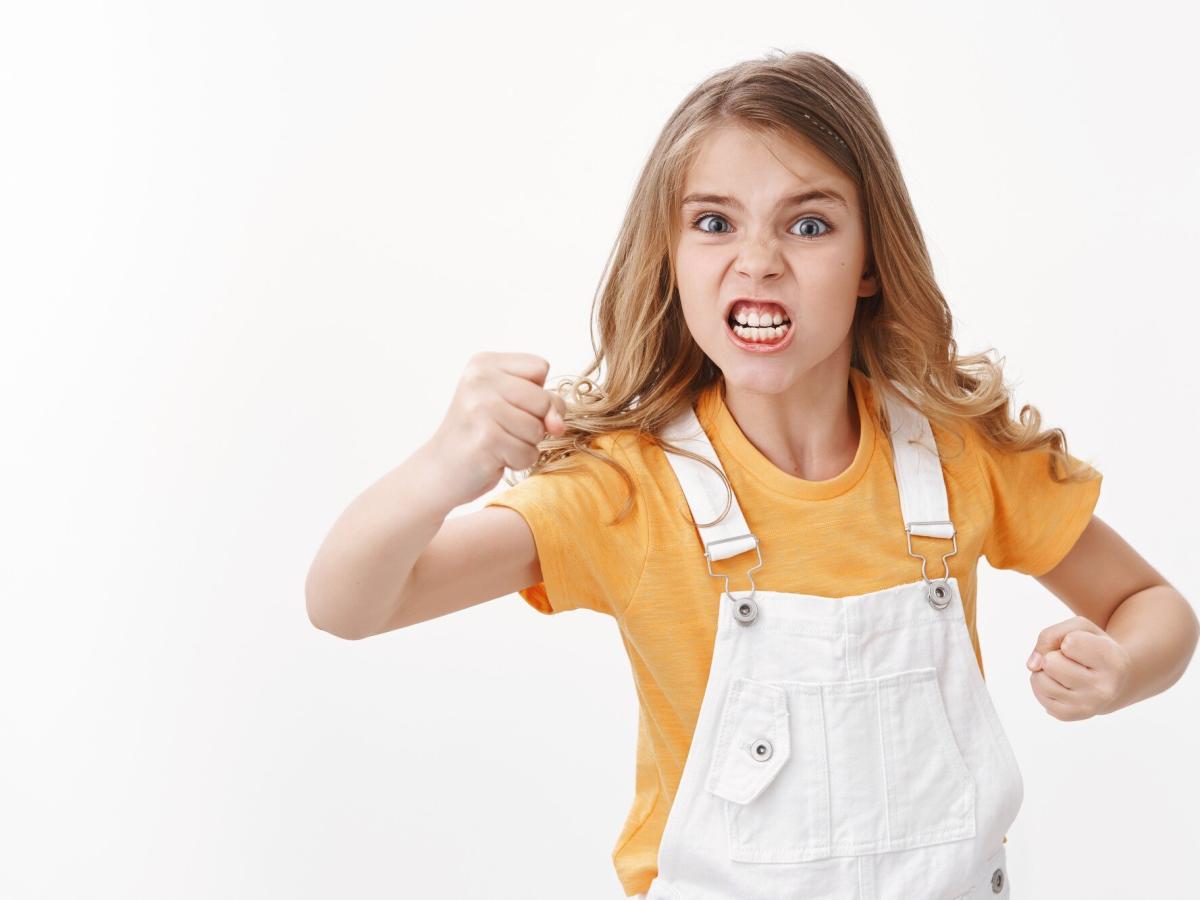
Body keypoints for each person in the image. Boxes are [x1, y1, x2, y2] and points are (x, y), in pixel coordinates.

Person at [305, 50, 1199, 899]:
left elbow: (1154, 606)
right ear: (671, 258)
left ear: (871, 263)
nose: (759, 259)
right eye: (714, 222)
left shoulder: (960, 459)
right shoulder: (628, 492)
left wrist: (1121, 668)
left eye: (809, 225)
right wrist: (441, 468)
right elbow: (351, 605)